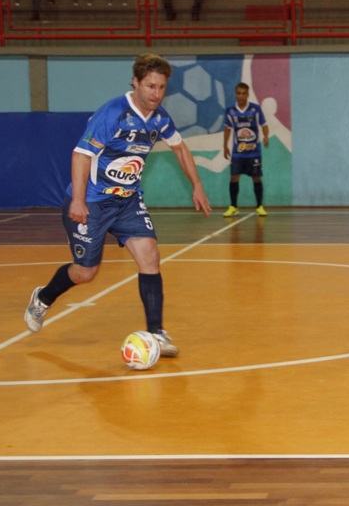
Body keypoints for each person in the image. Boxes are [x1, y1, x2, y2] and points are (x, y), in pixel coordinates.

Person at [24, 53, 212, 362]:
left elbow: (180, 147)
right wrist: (79, 200)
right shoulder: (113, 114)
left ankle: (157, 333)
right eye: (150, 86)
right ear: (136, 82)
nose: (156, 94)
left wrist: (197, 184)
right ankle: (42, 297)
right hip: (94, 203)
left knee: (150, 256)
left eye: (162, 87)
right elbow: (81, 155)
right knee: (85, 273)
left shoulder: (161, 118)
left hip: (127, 200)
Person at [222, 82, 270, 217]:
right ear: (235, 94)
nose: (241, 96)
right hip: (238, 153)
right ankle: (233, 206)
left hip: (254, 152)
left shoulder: (255, 109)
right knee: (234, 177)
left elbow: (264, 125)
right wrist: (225, 145)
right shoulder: (230, 110)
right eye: (238, 93)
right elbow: (227, 128)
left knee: (256, 177)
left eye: (244, 93)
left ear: (248, 95)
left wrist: (266, 136)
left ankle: (259, 206)